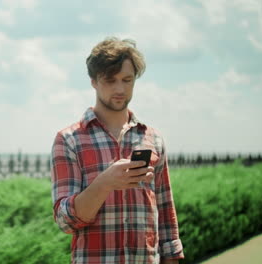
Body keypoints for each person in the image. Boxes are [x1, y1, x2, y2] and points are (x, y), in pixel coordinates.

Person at [50, 37, 184, 264]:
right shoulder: (69, 140)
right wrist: (105, 183)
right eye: (110, 80)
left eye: (127, 80)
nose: (120, 88)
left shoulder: (152, 138)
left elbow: (165, 212)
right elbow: (65, 221)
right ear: (93, 80)